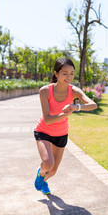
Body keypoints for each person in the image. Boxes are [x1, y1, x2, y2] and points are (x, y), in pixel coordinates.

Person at [34, 57, 97, 195]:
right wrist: (66, 113)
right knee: (48, 164)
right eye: (65, 73)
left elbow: (93, 104)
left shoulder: (74, 91)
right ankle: (41, 172)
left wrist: (76, 106)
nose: (69, 77)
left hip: (61, 133)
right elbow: (48, 119)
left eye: (71, 73)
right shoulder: (45, 91)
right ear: (56, 74)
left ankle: (43, 180)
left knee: (54, 170)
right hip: (43, 131)